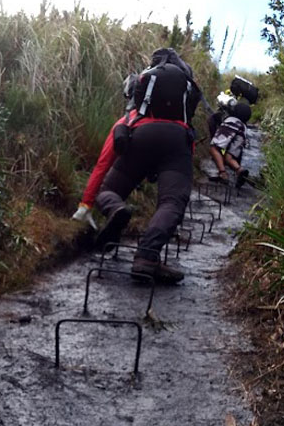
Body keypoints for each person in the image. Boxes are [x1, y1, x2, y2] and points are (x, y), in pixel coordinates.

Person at [71, 47, 206, 284]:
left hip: (140, 137)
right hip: (178, 139)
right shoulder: (181, 118)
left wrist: (86, 204)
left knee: (108, 191)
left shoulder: (128, 120)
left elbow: (102, 165)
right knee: (171, 202)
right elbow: (188, 151)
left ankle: (115, 208)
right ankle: (146, 257)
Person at [209, 99, 252, 187]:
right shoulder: (244, 125)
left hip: (232, 125)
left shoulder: (231, 120)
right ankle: (240, 170)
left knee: (214, 148)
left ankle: (222, 173)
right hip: (242, 131)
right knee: (229, 157)